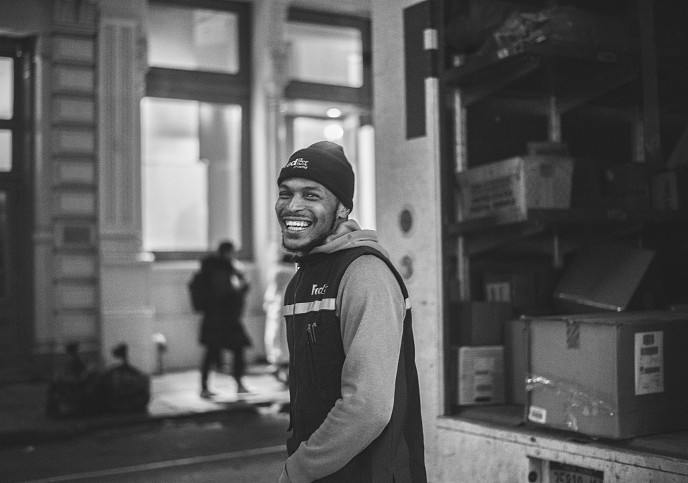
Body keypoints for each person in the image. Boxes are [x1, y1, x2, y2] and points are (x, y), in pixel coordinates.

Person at [274, 141, 427, 482]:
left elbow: (368, 408)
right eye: (286, 193)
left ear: (342, 209)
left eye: (311, 195)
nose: (292, 206)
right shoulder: (303, 278)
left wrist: (297, 469)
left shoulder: (364, 275)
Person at [197, 240, 251, 398]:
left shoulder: (214, 269)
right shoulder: (223, 270)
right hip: (225, 319)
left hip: (214, 319)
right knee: (237, 349)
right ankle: (238, 384)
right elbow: (228, 292)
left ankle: (205, 387)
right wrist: (241, 287)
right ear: (227, 252)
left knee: (212, 351)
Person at [263, 253, 295, 387]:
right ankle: (285, 373)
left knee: (275, 339)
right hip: (288, 309)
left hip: (274, 310)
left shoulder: (275, 273)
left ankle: (276, 366)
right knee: (286, 342)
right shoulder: (292, 273)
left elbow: (269, 296)